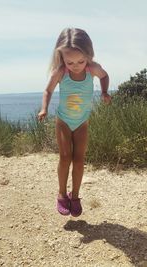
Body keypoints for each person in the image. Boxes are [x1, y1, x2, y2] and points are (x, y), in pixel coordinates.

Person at [38, 28, 111, 217]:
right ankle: (62, 194)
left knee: (79, 161)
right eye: (70, 62)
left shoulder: (92, 69)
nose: (76, 65)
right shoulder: (60, 72)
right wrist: (44, 108)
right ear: (61, 57)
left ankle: (75, 196)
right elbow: (48, 91)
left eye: (80, 61)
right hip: (63, 120)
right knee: (65, 157)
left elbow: (104, 76)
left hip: (82, 122)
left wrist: (104, 91)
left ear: (88, 55)